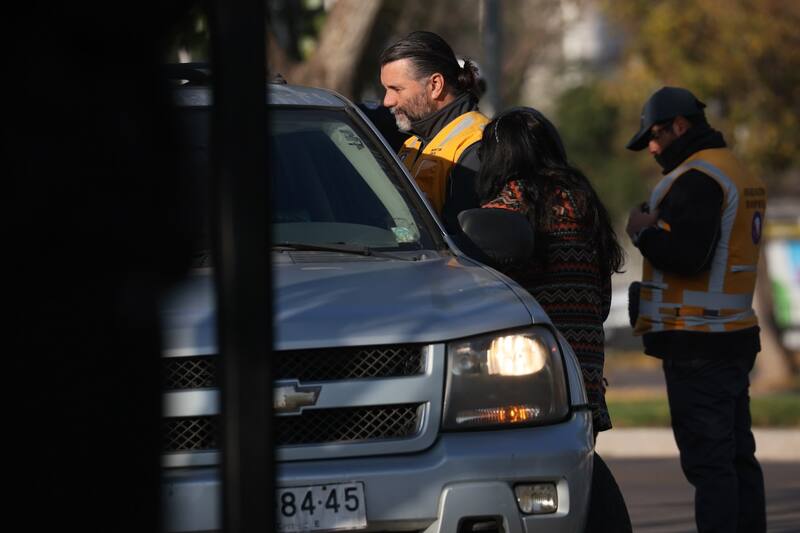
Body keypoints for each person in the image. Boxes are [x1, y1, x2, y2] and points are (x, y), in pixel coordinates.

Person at [473, 107, 630, 532]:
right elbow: (600, 294)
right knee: (578, 468)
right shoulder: (582, 199)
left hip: (535, 368)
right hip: (585, 359)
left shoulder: (515, 200)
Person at [624, 86, 767, 532]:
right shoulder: (736, 171)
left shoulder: (697, 179)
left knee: (710, 465)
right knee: (736, 457)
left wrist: (642, 231)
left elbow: (687, 256)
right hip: (729, 335)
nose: (650, 146)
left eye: (654, 135)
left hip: (697, 342)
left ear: (680, 127)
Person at [379, 31, 488, 233]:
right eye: (386, 90)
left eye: (396, 89)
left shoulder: (478, 145)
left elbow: (466, 243)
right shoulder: (414, 142)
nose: (387, 101)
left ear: (435, 85)